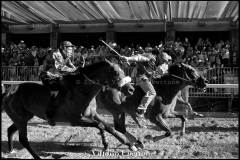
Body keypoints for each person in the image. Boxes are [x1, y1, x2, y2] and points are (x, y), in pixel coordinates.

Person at [39, 41, 77, 126]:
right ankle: (49, 114)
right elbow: (60, 67)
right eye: (69, 48)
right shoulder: (56, 54)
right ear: (64, 48)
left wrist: (78, 69)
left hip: (56, 75)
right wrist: (74, 70)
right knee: (57, 90)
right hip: (47, 76)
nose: (71, 50)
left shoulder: (66, 56)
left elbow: (71, 66)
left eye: (71, 48)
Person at [121, 51, 157, 118]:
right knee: (152, 93)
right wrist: (127, 58)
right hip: (142, 79)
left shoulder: (146, 64)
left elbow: (147, 73)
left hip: (141, 79)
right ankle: (141, 109)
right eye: (153, 61)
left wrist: (152, 74)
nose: (154, 63)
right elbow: (138, 57)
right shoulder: (146, 59)